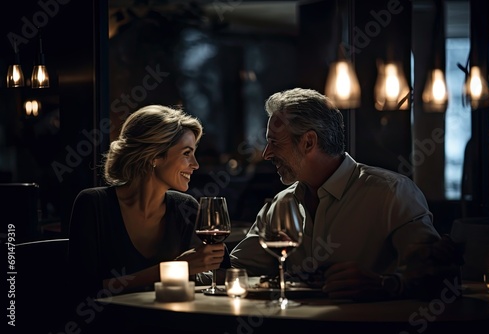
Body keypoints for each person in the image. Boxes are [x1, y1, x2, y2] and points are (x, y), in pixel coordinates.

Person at [230, 88, 462, 301]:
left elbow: (437, 276)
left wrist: (384, 285)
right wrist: (196, 263)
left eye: (274, 142)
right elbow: (235, 270)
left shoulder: (391, 193)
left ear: (309, 142)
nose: (267, 153)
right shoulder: (281, 204)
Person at [68, 105, 229, 301]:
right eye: (187, 153)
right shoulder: (93, 204)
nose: (195, 164)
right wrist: (176, 268)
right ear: (154, 156)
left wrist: (205, 263)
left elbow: (224, 276)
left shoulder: (185, 207)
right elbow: (82, 290)